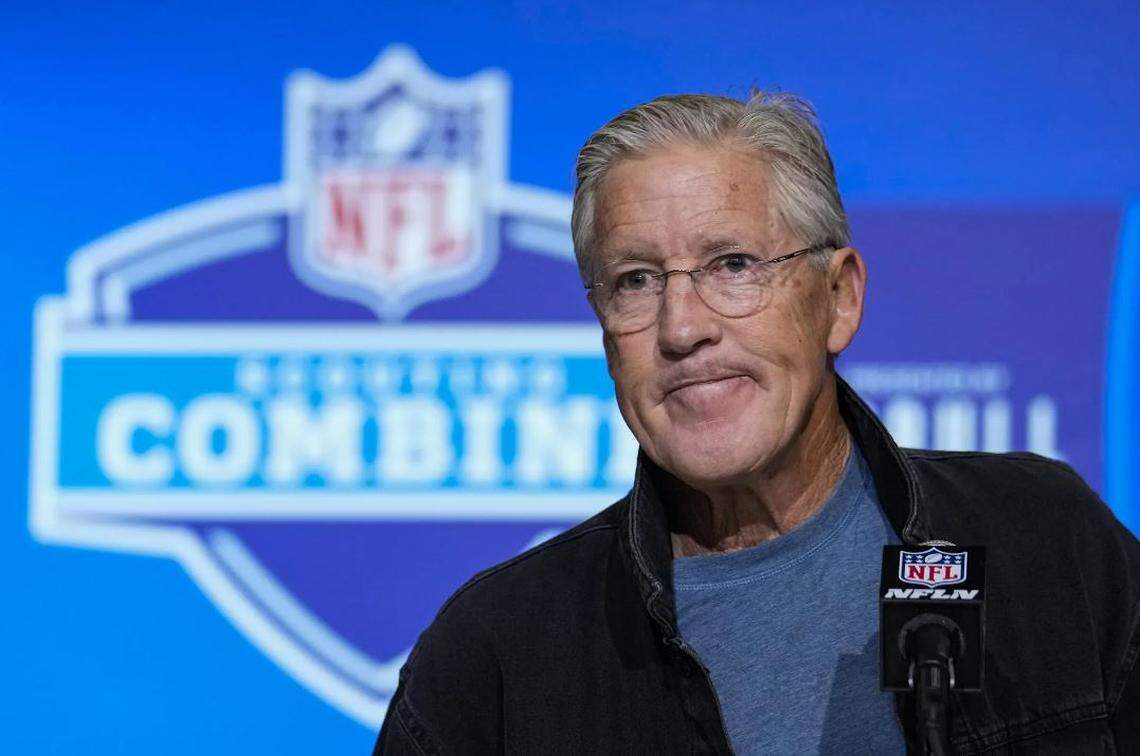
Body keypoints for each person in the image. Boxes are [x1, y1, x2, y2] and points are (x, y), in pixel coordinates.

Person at [374, 92, 1140, 754]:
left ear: (838, 298)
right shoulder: (498, 654)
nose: (681, 328)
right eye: (636, 281)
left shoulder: (1043, 540)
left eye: (733, 265)